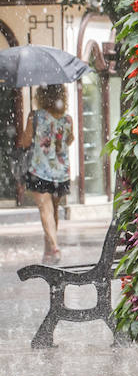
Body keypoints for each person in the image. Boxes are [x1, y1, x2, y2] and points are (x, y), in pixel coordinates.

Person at [17, 84, 73, 264]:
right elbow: (69, 141)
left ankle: (55, 247)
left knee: (45, 209)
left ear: (41, 96)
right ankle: (48, 250)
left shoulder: (35, 116)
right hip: (61, 173)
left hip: (39, 171)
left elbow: (25, 141)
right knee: (54, 210)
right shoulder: (68, 120)